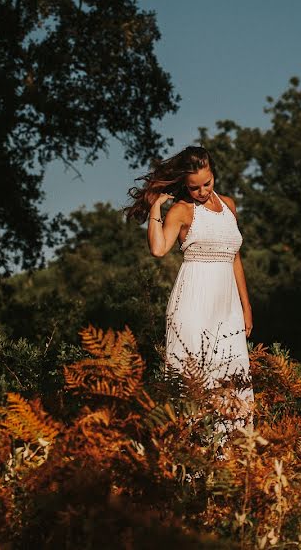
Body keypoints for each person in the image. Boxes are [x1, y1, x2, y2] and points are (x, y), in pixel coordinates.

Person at [125, 145, 254, 444]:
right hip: (193, 304)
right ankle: (192, 465)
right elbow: (158, 249)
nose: (201, 191)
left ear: (213, 175)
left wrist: (246, 306)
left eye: (206, 184)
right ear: (184, 184)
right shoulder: (182, 210)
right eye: (193, 186)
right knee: (193, 384)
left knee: (232, 380)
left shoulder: (229, 206)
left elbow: (235, 258)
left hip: (228, 307)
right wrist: (156, 206)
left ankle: (229, 460)